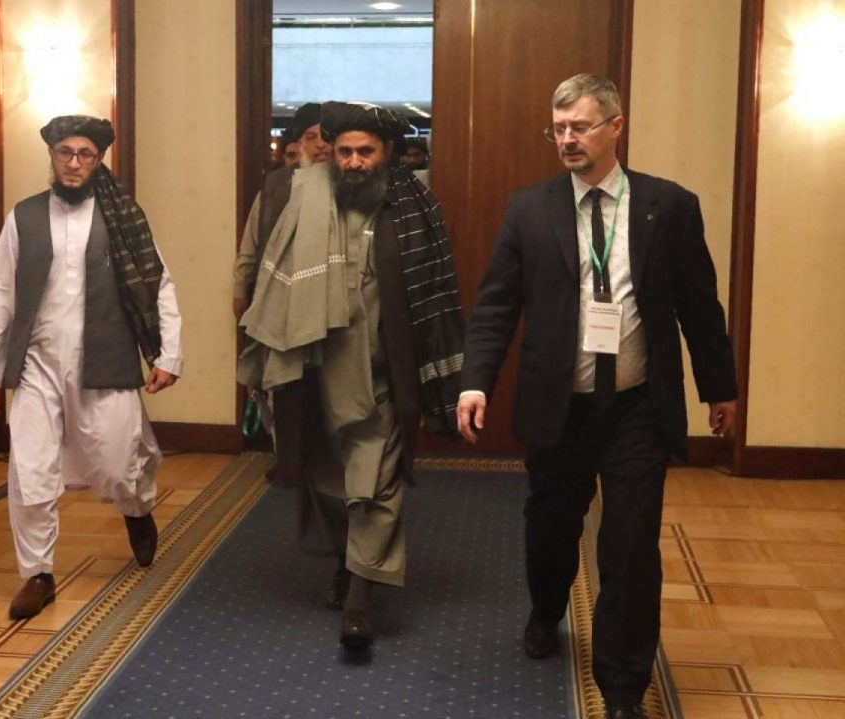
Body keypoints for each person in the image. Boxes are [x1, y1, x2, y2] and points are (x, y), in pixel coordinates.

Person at [456, 75, 736, 719]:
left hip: (637, 406)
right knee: (551, 526)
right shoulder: (530, 208)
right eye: (558, 128)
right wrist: (475, 381)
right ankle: (546, 608)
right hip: (561, 404)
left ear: (615, 126)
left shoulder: (670, 206)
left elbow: (699, 305)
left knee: (631, 547)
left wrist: (719, 388)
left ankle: (623, 687)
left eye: (579, 126)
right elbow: (497, 305)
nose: (567, 139)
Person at [237, 101, 465, 650]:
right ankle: (347, 558)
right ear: (331, 153)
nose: (355, 162)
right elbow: (255, 274)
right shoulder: (294, 198)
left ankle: (361, 594)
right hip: (309, 368)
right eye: (345, 152)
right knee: (326, 478)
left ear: (387, 153)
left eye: (366, 151)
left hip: (382, 372)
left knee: (376, 482)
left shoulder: (412, 208)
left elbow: (435, 292)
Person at [0, 115, 183, 621]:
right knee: (30, 469)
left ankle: (137, 507)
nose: (73, 163)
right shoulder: (23, 217)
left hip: (106, 355)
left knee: (116, 462)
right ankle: (38, 574)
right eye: (64, 152)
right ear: (52, 156)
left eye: (84, 154)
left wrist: (168, 353)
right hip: (36, 362)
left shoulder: (123, 217)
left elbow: (158, 284)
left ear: (99, 159)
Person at [233, 102, 331, 321]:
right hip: (277, 296)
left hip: (326, 296)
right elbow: (251, 242)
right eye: (311, 137)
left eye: (326, 137)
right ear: (300, 143)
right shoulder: (275, 185)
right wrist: (240, 290)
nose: (320, 145)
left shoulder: (345, 185)